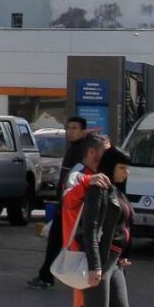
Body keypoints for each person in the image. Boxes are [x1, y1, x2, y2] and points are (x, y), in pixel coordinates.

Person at [29, 146, 133, 307]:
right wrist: (95, 267)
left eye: (128, 168)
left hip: (114, 262)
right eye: (122, 168)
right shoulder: (99, 189)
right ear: (111, 165)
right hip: (100, 261)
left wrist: (125, 253)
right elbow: (89, 231)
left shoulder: (117, 190)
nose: (126, 172)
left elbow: (122, 227)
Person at [28, 116, 93, 289]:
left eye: (74, 128)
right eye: (68, 128)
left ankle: (49, 277)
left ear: (83, 131)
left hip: (72, 206)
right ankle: (48, 275)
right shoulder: (73, 149)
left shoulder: (82, 151)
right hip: (65, 204)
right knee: (58, 241)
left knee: (63, 241)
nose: (70, 132)